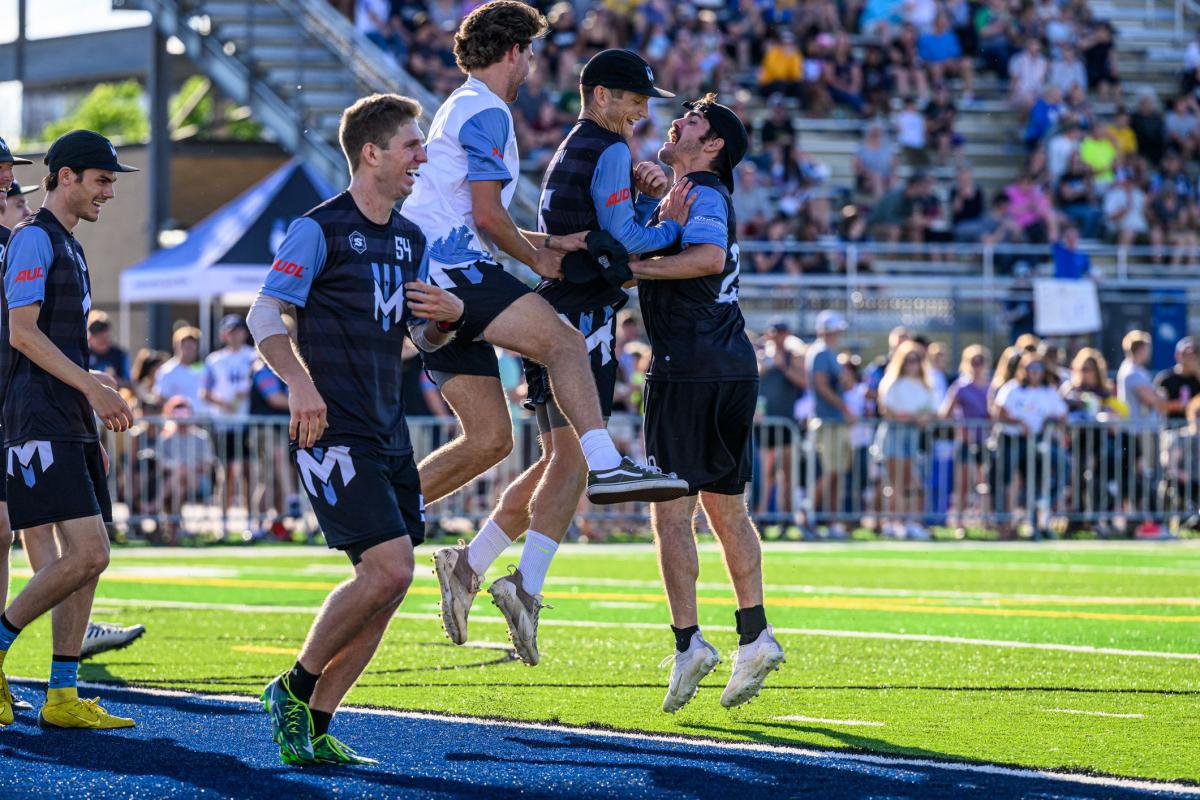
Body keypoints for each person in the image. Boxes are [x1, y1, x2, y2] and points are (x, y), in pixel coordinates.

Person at [431, 49, 690, 665]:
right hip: (581, 311)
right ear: (601, 95)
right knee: (572, 461)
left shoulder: (583, 144)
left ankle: (473, 566)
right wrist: (672, 222)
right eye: (634, 98)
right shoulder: (609, 148)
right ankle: (519, 584)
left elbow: (602, 229)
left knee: (559, 459)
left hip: (559, 301)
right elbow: (624, 241)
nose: (641, 111)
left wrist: (642, 200)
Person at [248, 93, 464, 766]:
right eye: (411, 145)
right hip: (332, 429)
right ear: (371, 152)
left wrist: (444, 322)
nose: (422, 157)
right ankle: (292, 687)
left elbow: (409, 338)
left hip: (388, 428)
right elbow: (263, 316)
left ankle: (314, 724)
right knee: (388, 568)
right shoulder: (319, 228)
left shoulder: (410, 238)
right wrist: (299, 383)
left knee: (391, 587)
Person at [403, 2, 686, 515]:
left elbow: (472, 214)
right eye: (531, 54)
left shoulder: (460, 104)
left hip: (431, 271)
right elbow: (488, 217)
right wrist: (538, 258)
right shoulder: (488, 110)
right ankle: (606, 465)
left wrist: (550, 241)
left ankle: (381, 519)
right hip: (453, 270)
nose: (532, 66)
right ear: (515, 51)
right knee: (565, 343)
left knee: (489, 440)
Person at [631, 94, 784, 712]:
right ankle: (755, 635)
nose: (677, 121)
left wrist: (629, 267)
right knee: (727, 510)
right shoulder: (686, 190)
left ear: (713, 144)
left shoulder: (701, 191)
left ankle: (688, 642)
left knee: (672, 514)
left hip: (688, 368)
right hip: (727, 363)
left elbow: (707, 258)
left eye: (692, 119)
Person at [0, 129, 139, 730]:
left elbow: (54, 341)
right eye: (102, 180)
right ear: (65, 177)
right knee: (87, 552)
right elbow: (22, 333)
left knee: (89, 560)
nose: (109, 192)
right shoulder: (34, 238)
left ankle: (62, 695)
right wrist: (91, 387)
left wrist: (91, 391)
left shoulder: (68, 243)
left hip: (66, 416)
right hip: (39, 417)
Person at [876, 341, 937, 539]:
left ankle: (911, 522)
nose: (913, 364)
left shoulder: (925, 385)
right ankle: (893, 523)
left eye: (916, 360)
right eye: (909, 360)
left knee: (913, 481)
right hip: (895, 434)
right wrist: (910, 418)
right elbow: (887, 410)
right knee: (896, 481)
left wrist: (922, 418)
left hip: (914, 436)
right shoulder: (892, 382)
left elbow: (932, 411)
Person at [202, 314, 256, 517]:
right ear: (223, 334)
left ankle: (251, 520)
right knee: (227, 472)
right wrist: (222, 403)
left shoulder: (254, 356)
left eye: (238, 331)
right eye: (230, 331)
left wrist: (248, 393)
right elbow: (205, 392)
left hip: (248, 422)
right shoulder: (214, 360)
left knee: (250, 472)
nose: (234, 335)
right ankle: (223, 521)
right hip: (223, 423)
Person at [807, 309, 854, 538]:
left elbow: (847, 384)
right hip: (828, 421)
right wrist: (845, 408)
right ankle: (806, 515)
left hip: (834, 421)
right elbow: (822, 386)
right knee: (829, 472)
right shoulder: (821, 352)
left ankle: (833, 522)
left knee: (836, 473)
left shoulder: (828, 353)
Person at [756, 318, 805, 519]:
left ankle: (786, 518)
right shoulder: (761, 356)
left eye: (782, 333)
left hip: (786, 423)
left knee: (788, 474)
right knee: (764, 473)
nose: (778, 337)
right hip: (764, 424)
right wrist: (764, 364)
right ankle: (760, 517)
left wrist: (783, 365)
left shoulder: (793, 357)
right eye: (775, 333)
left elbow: (804, 382)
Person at [940, 344, 992, 533]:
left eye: (980, 361)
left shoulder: (991, 387)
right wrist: (960, 427)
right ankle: (960, 523)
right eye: (973, 361)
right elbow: (945, 413)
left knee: (984, 483)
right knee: (962, 484)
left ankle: (986, 521)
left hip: (986, 441)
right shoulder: (960, 387)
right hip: (965, 442)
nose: (977, 365)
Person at [153, 326, 205, 411]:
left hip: (201, 418)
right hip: (177, 418)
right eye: (186, 346)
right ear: (177, 346)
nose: (190, 350)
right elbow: (161, 398)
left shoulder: (202, 369)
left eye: (192, 347)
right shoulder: (167, 371)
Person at [1154, 336, 1200, 422]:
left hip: (1196, 428)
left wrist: (1197, 371)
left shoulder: (1197, 377)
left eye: (1194, 355)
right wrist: (1181, 405)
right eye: (1185, 354)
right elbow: (1160, 405)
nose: (1190, 358)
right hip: (1172, 428)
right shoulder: (1165, 378)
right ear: (1177, 355)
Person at [86, 311, 131, 390]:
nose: (101, 338)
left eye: (104, 333)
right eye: (97, 335)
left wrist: (114, 380)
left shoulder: (120, 355)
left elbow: (128, 382)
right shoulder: (84, 353)